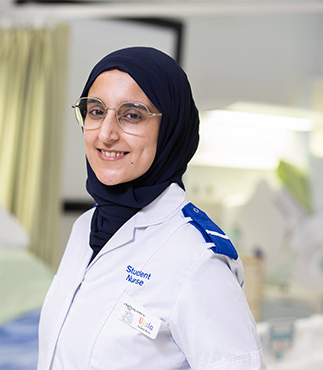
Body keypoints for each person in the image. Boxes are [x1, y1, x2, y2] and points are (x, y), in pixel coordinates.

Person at [38, 47, 266, 370]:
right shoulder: (86, 227)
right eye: (96, 111)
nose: (106, 134)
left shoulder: (198, 259)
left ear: (171, 129)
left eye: (132, 115)